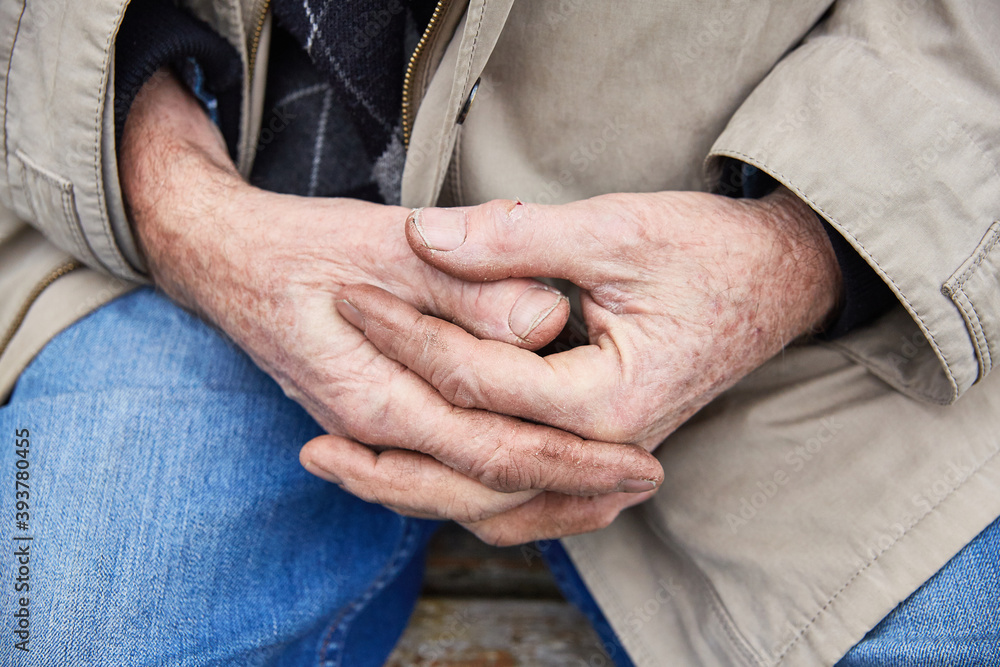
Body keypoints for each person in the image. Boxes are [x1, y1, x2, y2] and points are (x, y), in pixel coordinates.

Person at [1, 1, 998, 665]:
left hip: (809, 247)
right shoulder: (179, 215)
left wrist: (799, 250)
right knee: (65, 625)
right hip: (183, 214)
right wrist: (179, 208)